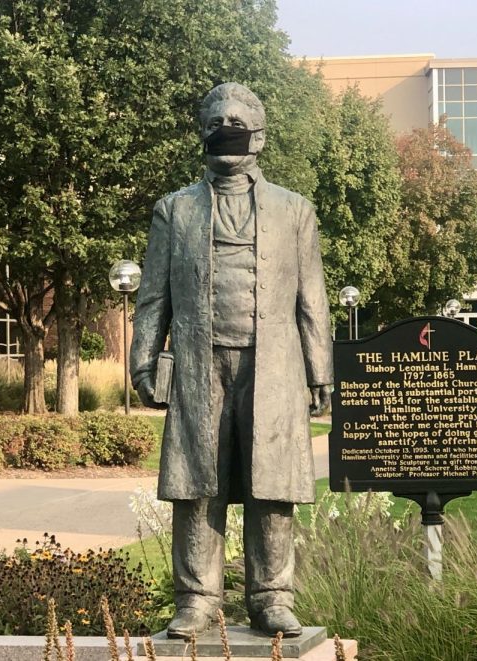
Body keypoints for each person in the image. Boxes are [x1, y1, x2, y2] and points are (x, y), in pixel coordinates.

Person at [129, 82, 333, 640]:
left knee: (272, 485)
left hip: (274, 369)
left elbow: (310, 299)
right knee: (198, 483)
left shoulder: (296, 211)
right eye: (216, 121)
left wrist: (321, 371)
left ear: (259, 137)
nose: (225, 128)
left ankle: (272, 597)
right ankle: (195, 599)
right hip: (199, 364)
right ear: (203, 133)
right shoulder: (175, 210)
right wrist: (143, 360)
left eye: (237, 124)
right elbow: (153, 295)